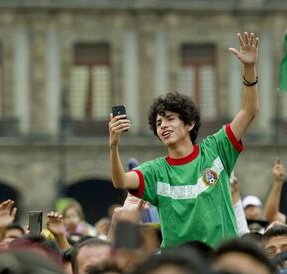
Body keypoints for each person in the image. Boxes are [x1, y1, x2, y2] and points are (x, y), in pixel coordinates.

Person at [109, 31, 259, 249]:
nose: (163, 126)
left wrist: (249, 67)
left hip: (220, 263)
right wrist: (113, 146)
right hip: (179, 266)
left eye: (170, 119)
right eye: (159, 124)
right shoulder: (155, 171)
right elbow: (120, 181)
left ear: (189, 124)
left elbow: (249, 110)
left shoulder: (216, 149)